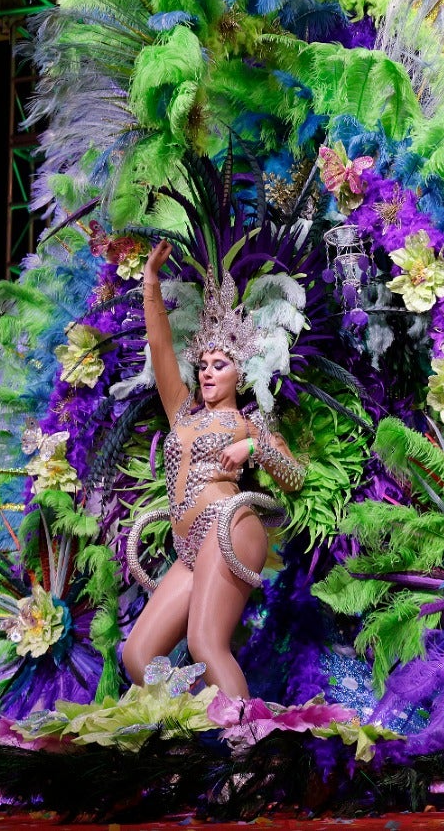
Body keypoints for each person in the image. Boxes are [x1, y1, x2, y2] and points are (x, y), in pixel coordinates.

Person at [120, 241, 305, 699]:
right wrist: (150, 281)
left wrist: (251, 446)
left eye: (219, 365)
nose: (206, 373)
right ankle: (202, 731)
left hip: (231, 527)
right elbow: (161, 346)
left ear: (239, 374)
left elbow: (295, 476)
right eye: (202, 364)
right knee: (139, 657)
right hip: (189, 546)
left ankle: (248, 755)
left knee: (205, 644)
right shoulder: (181, 413)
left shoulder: (249, 420)